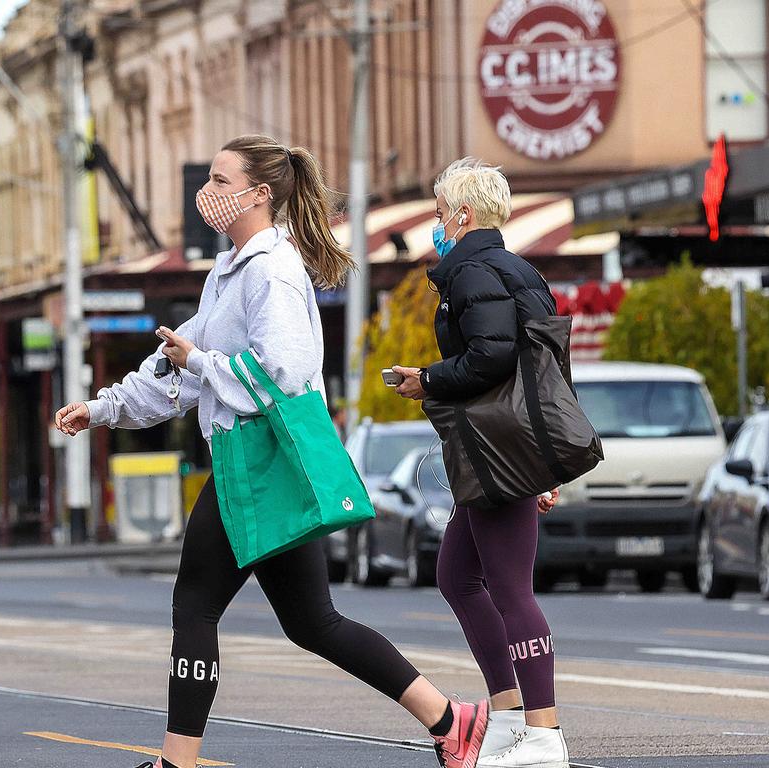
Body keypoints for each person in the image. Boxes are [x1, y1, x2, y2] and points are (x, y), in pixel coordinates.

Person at [53, 136, 487, 768]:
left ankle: (178, 762)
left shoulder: (272, 272)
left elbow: (281, 373)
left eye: (221, 181)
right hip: (246, 461)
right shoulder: (229, 273)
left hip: (259, 460)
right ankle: (452, 720)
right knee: (313, 621)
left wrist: (197, 360)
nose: (208, 193)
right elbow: (179, 372)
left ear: (259, 194)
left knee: (197, 604)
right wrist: (104, 408)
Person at [392, 157, 568, 768]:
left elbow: (490, 358)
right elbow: (545, 369)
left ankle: (541, 735)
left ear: (463, 216)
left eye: (441, 213)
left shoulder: (470, 272)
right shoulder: (523, 272)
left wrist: (428, 379)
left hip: (496, 447)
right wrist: (542, 460)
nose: (437, 224)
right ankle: (511, 715)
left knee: (511, 590)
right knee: (456, 576)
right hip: (511, 444)